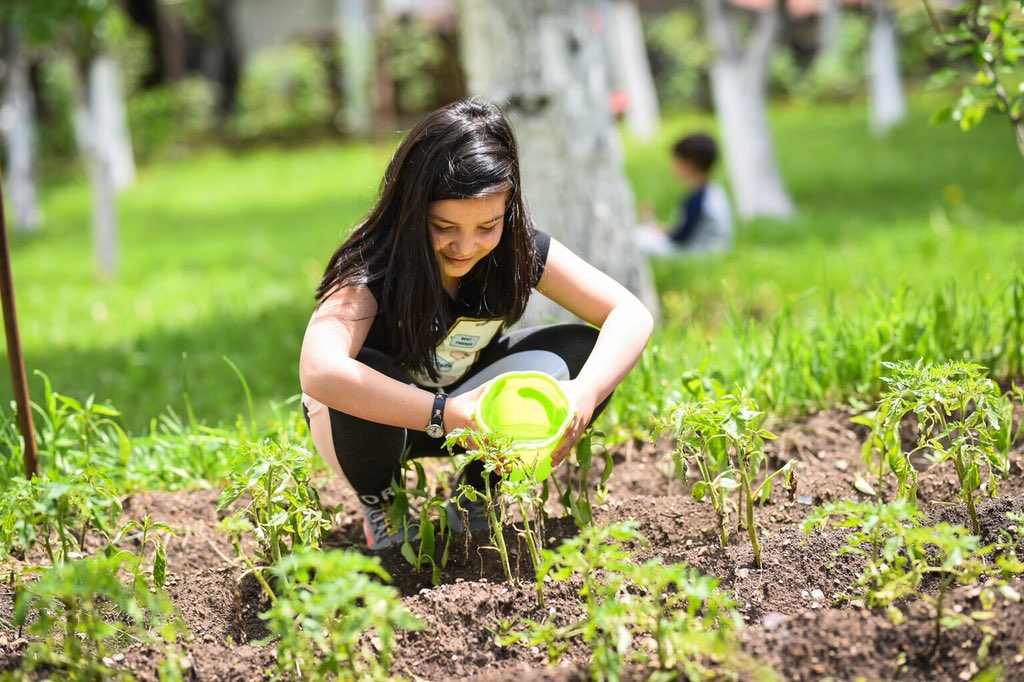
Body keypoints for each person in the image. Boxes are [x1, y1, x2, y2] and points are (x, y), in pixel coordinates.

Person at [299, 99, 654, 550]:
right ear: (411, 210)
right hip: (383, 426)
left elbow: (630, 314)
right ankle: (383, 505)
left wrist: (585, 393)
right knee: (356, 370)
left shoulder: (518, 249)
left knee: (584, 351)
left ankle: (477, 495)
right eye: (443, 226)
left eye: (487, 226)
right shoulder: (372, 269)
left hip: (471, 415)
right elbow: (320, 370)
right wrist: (443, 415)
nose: (465, 247)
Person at [635, 132, 733, 256]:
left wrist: (650, 225)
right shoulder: (714, 192)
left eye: (676, 162)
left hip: (696, 253)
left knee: (638, 238)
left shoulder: (698, 199)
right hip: (708, 249)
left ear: (688, 165)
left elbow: (679, 237)